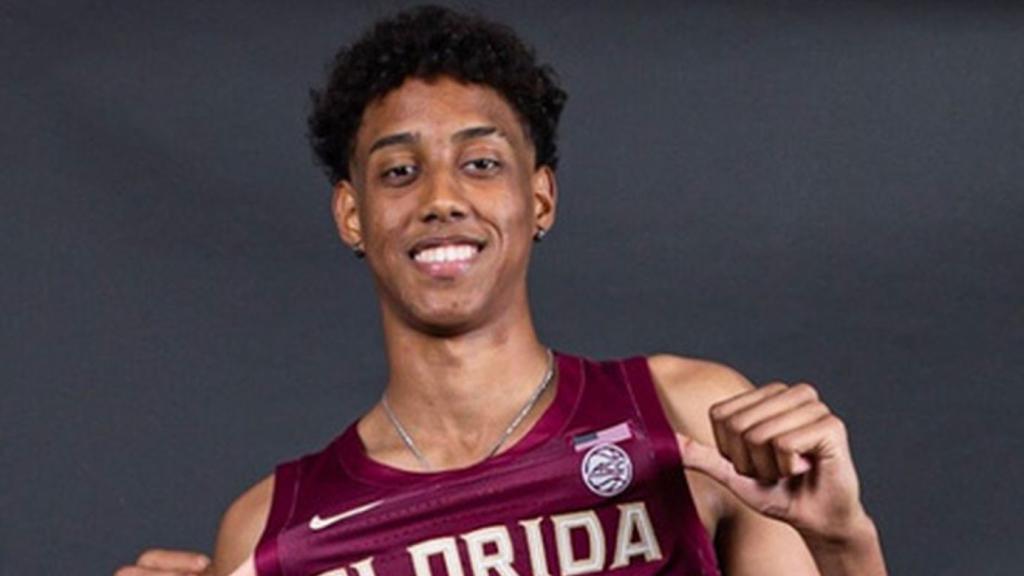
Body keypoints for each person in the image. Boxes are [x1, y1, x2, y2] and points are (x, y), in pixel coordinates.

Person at [115, 6, 886, 576]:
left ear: (540, 199)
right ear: (352, 214)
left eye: (480, 163)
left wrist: (843, 541)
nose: (442, 198)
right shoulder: (270, 536)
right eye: (398, 171)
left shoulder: (689, 424)